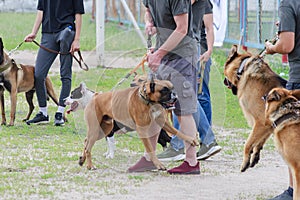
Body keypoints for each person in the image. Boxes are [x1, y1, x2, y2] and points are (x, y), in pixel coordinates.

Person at [128, 0, 200, 174]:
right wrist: (149, 23)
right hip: (162, 55)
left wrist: (159, 54)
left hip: (182, 56)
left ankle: (191, 162)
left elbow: (182, 29)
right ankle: (149, 158)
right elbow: (148, 10)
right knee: (155, 108)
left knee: (183, 110)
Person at [157, 0, 222, 162]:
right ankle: (205, 140)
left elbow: (208, 27)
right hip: (178, 49)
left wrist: (209, 51)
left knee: (189, 97)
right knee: (188, 97)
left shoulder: (199, 3)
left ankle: (183, 144)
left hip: (193, 50)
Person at [24, 0, 85, 126]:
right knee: (39, 74)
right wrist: (34, 32)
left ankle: (60, 113)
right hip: (47, 34)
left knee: (65, 74)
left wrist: (77, 39)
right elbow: (41, 12)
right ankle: (43, 113)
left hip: (66, 32)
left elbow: (78, 15)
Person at [265, 0, 300, 199]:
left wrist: (272, 47)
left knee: (292, 141)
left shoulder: (288, 4)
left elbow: (287, 44)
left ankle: (292, 191)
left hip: (298, 77)